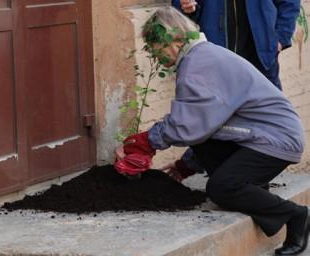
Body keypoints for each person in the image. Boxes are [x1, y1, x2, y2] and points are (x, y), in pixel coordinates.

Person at [115, 8, 309, 256]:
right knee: (226, 186)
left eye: (155, 46)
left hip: (275, 140)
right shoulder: (199, 57)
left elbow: (188, 123)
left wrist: (145, 142)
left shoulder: (199, 63)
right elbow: (208, 126)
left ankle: (296, 216)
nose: (154, 54)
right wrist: (186, 165)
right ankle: (253, 188)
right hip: (258, 136)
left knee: (221, 188)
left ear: (174, 39)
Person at [171, 0, 301, 91]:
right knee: (218, 118)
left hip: (260, 54)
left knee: (269, 116)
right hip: (216, 55)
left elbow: (290, 3)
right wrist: (185, 6)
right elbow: (180, 6)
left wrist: (280, 39)